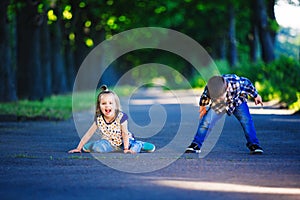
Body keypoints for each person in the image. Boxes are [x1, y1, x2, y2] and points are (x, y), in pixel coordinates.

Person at [186, 74, 264, 154]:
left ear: (226, 89)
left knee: (246, 121)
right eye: (215, 97)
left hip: (237, 101)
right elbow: (205, 96)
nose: (217, 99)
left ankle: (254, 144)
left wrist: (256, 95)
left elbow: (247, 84)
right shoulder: (211, 87)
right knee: (206, 121)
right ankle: (196, 144)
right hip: (219, 105)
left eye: (219, 97)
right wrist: (202, 106)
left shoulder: (237, 83)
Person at [68, 85, 155, 154]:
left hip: (124, 141)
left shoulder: (121, 117)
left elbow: (124, 133)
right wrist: (78, 148)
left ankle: (139, 144)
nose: (107, 106)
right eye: (103, 103)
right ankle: (94, 145)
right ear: (99, 106)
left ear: (115, 105)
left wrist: (125, 148)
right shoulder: (99, 119)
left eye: (110, 103)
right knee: (98, 149)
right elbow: (89, 133)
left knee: (133, 150)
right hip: (109, 142)